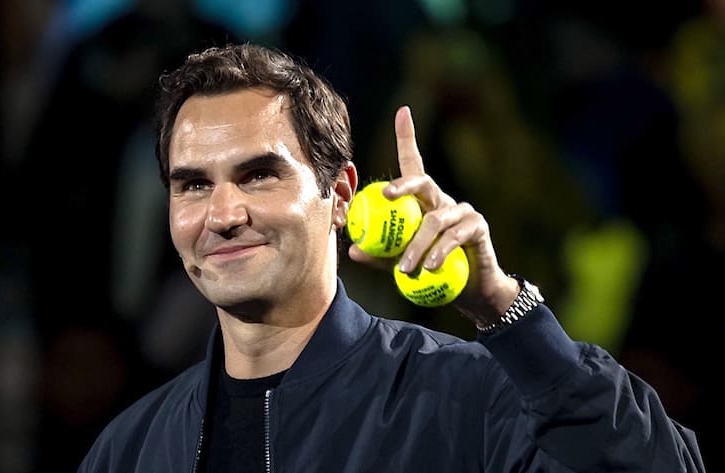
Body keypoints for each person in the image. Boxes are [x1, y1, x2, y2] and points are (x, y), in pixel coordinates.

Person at [77, 43, 706, 472]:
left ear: (342, 194)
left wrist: (504, 309)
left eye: (259, 175)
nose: (221, 214)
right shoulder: (129, 448)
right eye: (193, 184)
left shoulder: (473, 397)